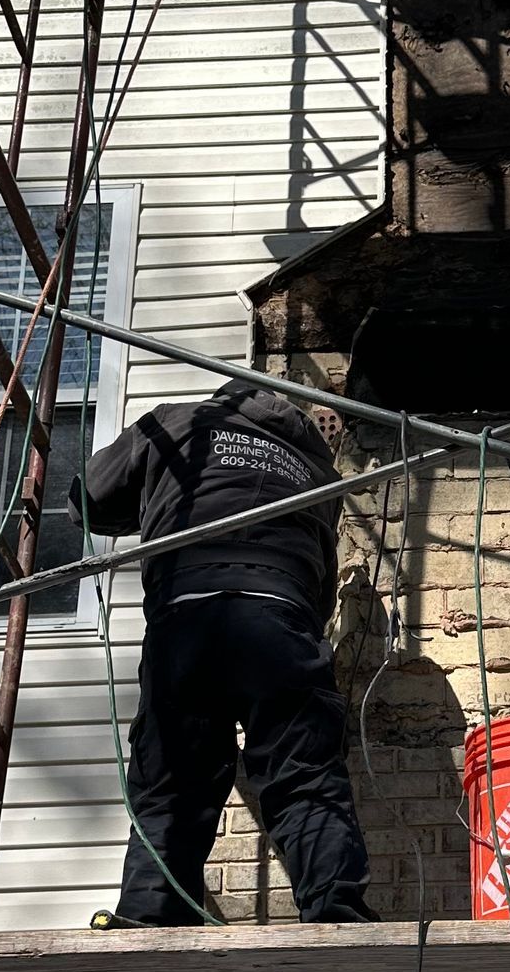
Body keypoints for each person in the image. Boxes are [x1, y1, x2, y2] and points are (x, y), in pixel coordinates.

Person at [71, 383, 373, 928]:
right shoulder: (317, 470)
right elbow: (321, 583)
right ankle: (335, 913)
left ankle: (152, 917)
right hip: (280, 617)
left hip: (187, 613)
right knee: (302, 774)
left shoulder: (176, 422)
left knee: (172, 782)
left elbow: (89, 499)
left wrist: (156, 495)